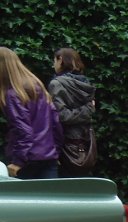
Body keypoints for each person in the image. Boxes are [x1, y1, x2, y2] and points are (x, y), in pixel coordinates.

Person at [0, 47, 62, 179]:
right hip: (48, 157)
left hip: (26, 161)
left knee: (22, 199)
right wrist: (55, 151)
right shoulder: (37, 86)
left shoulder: (12, 94)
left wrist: (17, 162)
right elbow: (55, 121)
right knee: (50, 199)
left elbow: (23, 131)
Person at [48, 47, 95, 177]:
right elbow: (88, 108)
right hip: (86, 140)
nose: (53, 65)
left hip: (66, 143)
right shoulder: (84, 82)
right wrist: (88, 109)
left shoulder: (57, 84)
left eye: (54, 60)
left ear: (60, 60)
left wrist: (88, 109)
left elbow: (62, 116)